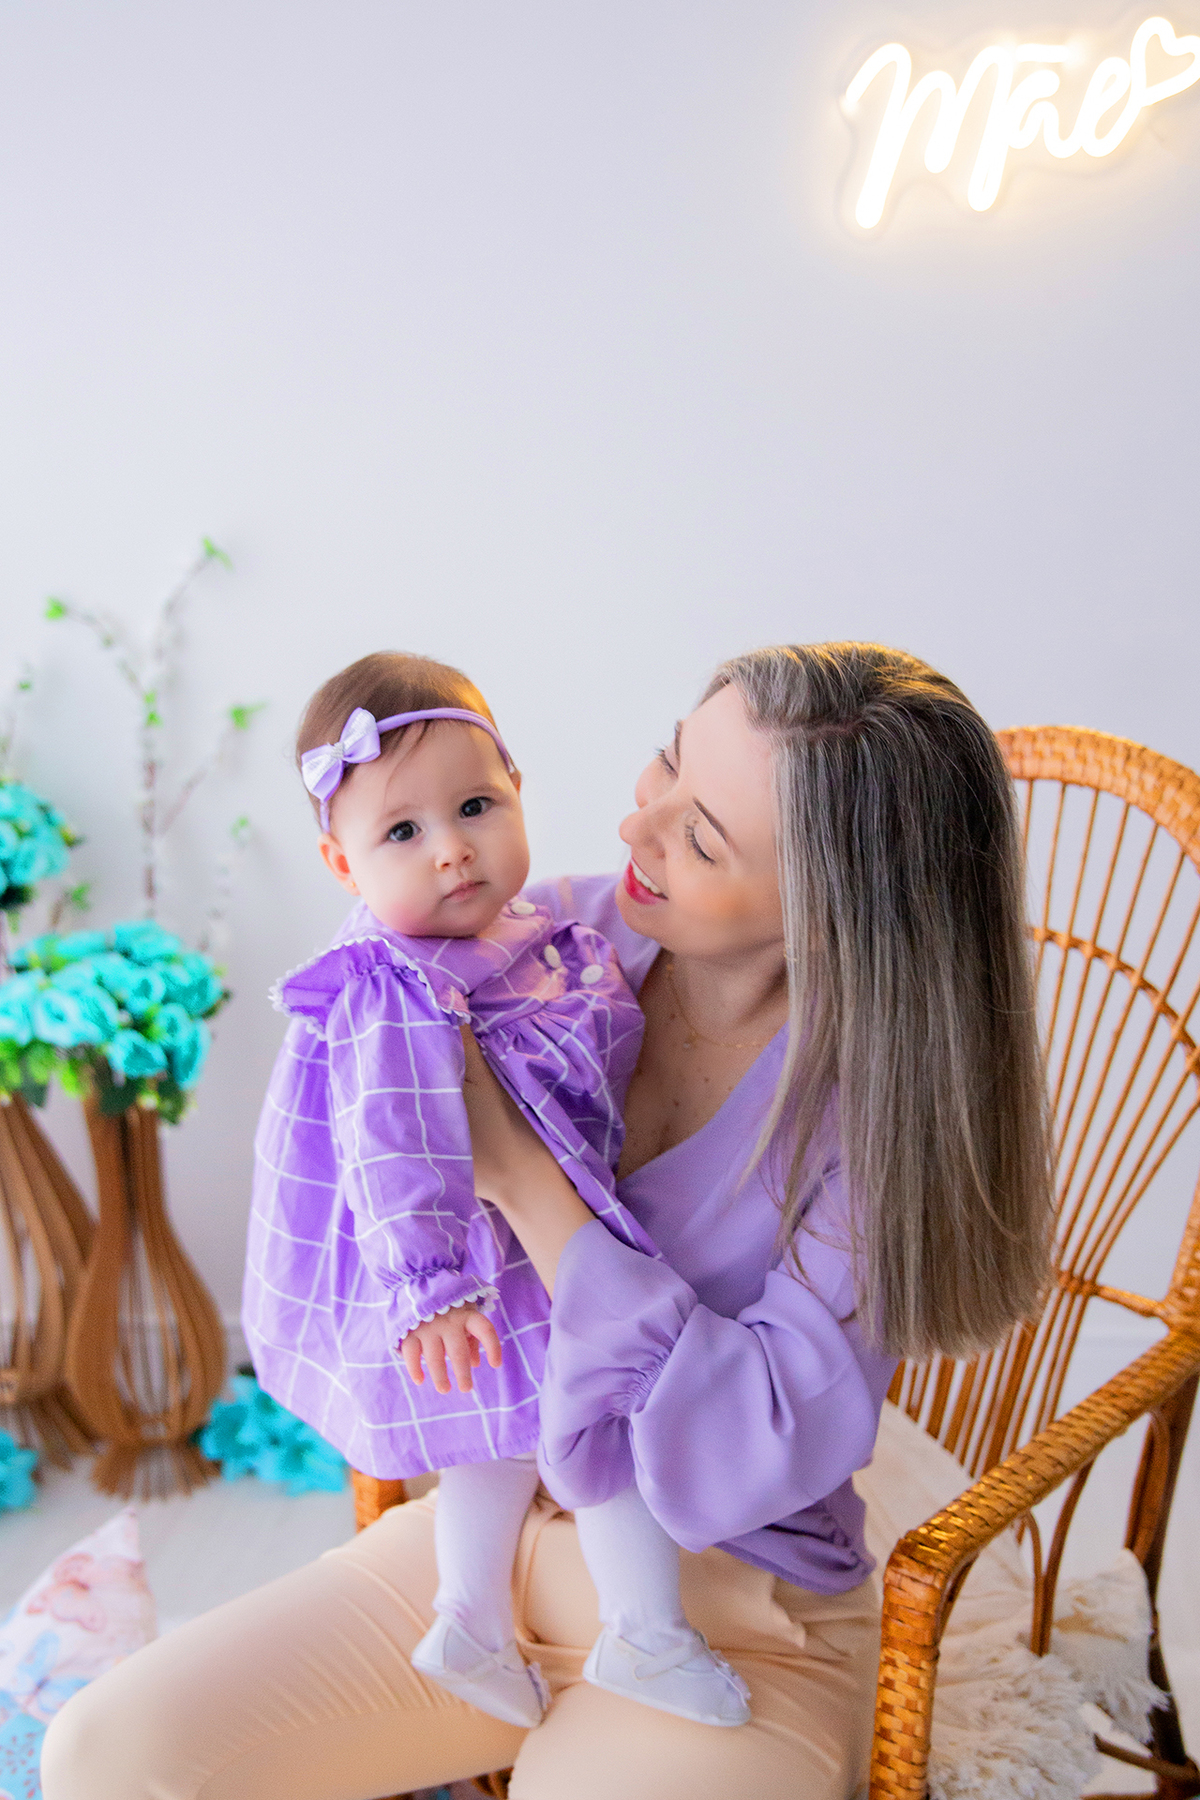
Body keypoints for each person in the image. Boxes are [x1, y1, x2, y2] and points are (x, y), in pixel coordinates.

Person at [42, 641, 1053, 1800]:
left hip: (742, 1615)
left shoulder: (875, 1128)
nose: (637, 831)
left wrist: (523, 1176)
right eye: (665, 766)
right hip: (484, 1554)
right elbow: (361, 1109)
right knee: (109, 1759)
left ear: (837, 910)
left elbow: (755, 1442)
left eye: (701, 836)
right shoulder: (547, 946)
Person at [243, 651, 749, 1729]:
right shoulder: (395, 981)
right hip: (481, 1270)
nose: (453, 850)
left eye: (476, 805)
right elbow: (390, 1139)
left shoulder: (532, 931)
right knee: (601, 1423)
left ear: (518, 788)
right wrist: (431, 1287)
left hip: (529, 1250)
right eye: (402, 834)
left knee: (499, 1443)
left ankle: (471, 1624)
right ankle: (648, 1636)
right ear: (343, 865)